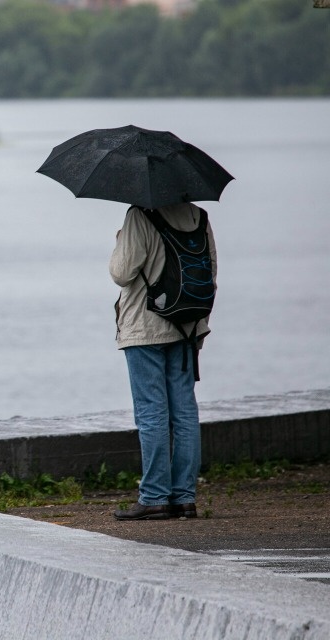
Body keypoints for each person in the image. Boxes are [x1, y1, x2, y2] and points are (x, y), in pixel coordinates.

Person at [109, 202, 217, 521]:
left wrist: (120, 241)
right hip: (185, 326)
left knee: (151, 410)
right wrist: (199, 326)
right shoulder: (198, 216)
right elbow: (210, 271)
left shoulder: (140, 214)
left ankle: (154, 496)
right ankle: (184, 497)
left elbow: (121, 272)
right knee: (184, 410)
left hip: (145, 327)